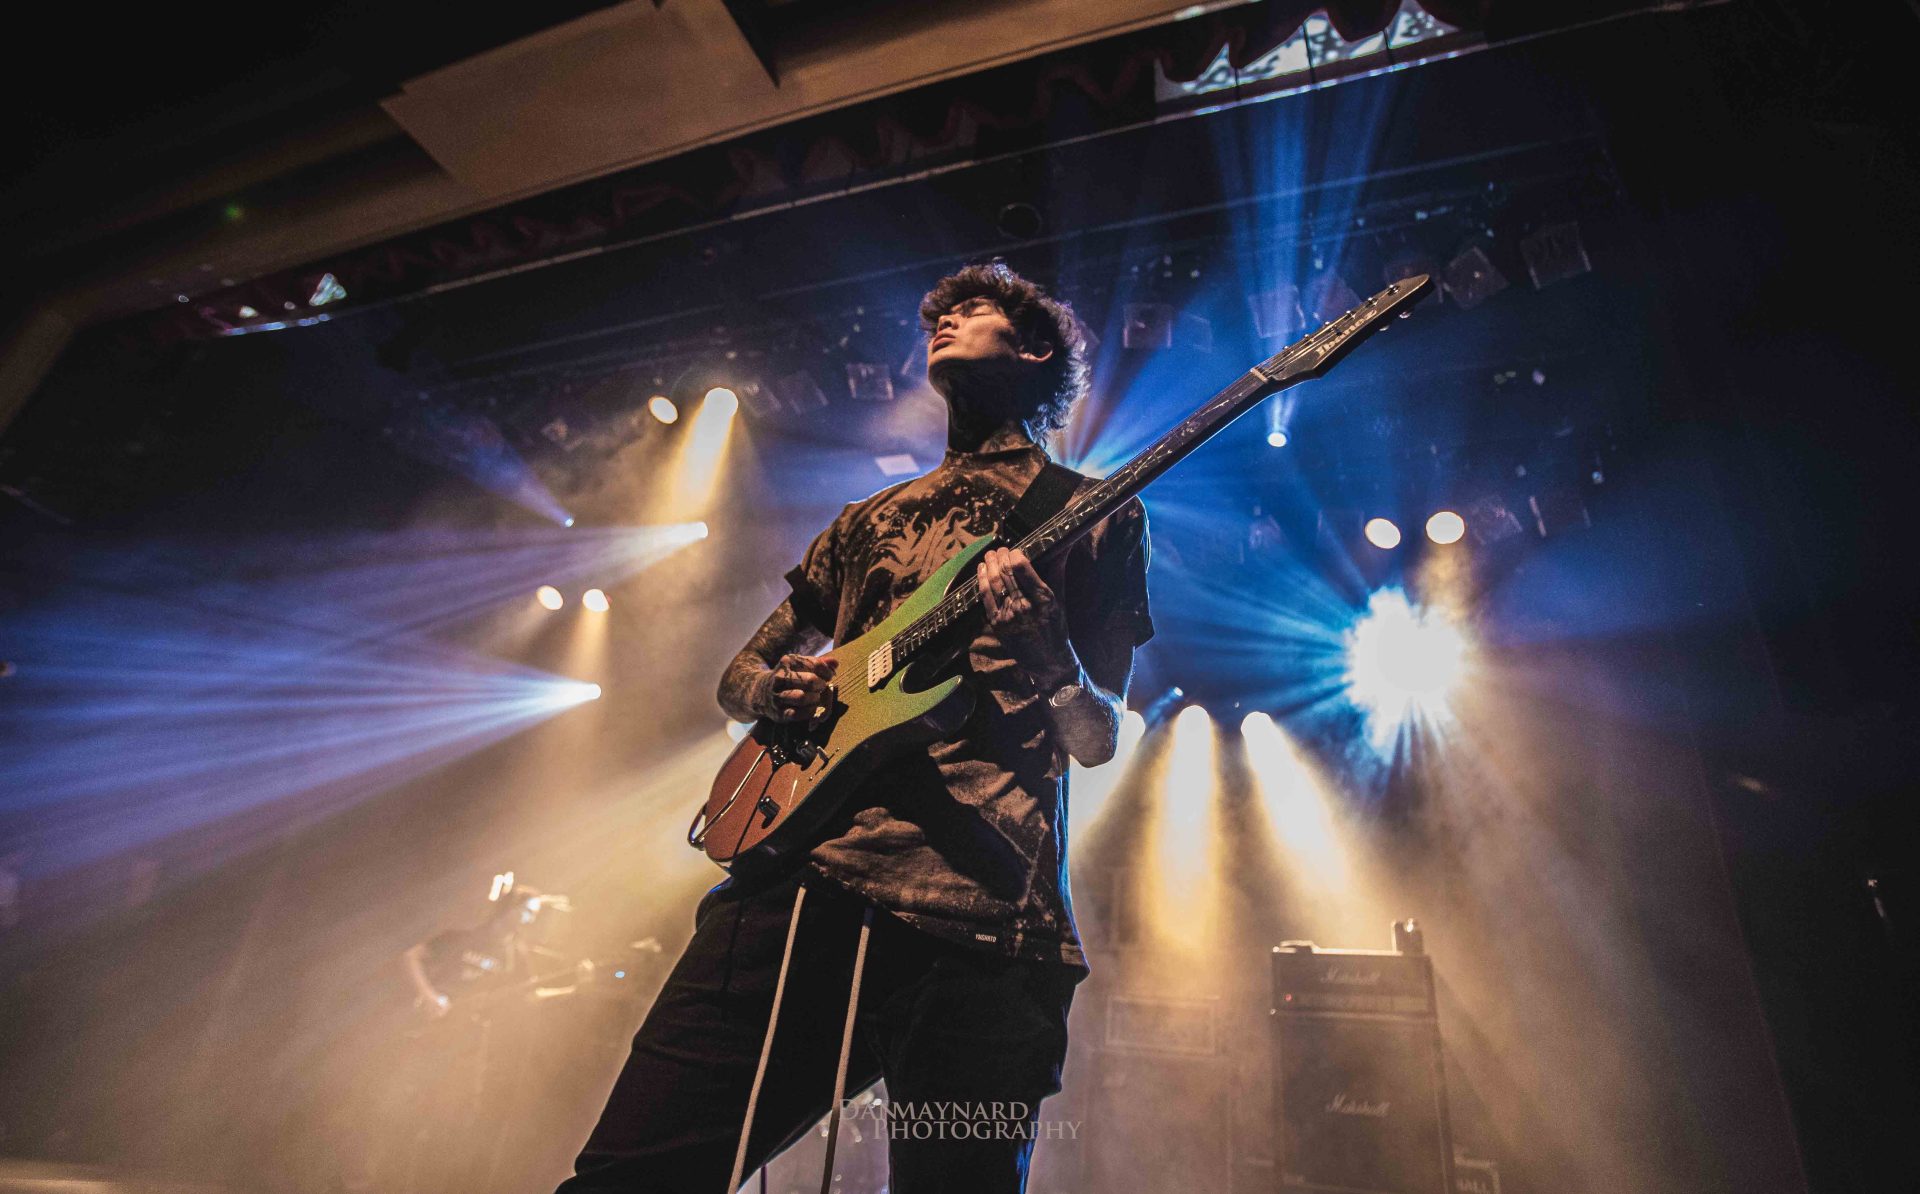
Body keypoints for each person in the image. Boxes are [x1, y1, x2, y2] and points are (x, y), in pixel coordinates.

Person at [558, 262, 1153, 1194]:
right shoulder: (864, 519)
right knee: (628, 1176)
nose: (946, 317)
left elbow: (1097, 736)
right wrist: (778, 693)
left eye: (975, 307)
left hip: (986, 923)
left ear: (1037, 349)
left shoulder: (1094, 513)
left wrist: (1051, 660)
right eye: (939, 311)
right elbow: (737, 677)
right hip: (800, 887)